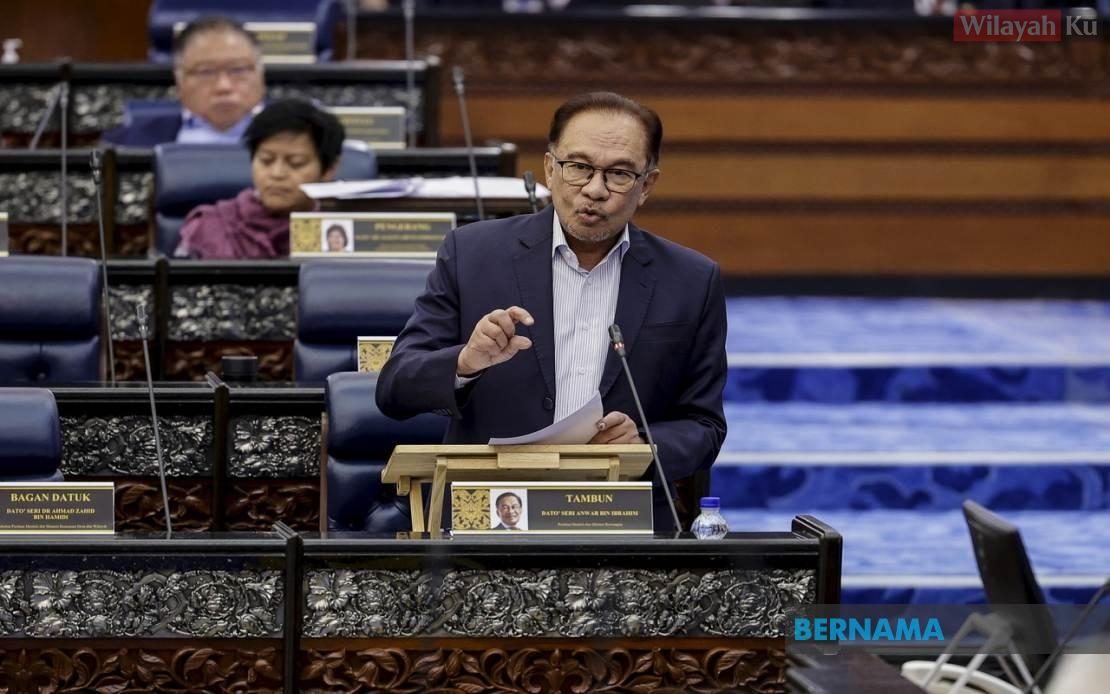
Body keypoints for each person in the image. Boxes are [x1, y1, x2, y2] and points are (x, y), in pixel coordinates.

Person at [376, 91, 728, 531]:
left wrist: (642, 442)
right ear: (549, 168)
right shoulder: (472, 254)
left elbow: (704, 424)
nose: (595, 190)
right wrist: (465, 362)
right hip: (488, 516)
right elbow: (394, 389)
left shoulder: (691, 279)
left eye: (619, 174)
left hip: (619, 515)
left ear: (647, 185)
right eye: (578, 167)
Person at [174, 99, 344, 260]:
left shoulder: (341, 231)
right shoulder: (208, 225)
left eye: (295, 163)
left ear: (329, 169)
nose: (277, 174)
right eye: (266, 160)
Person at [102, 16, 266, 147]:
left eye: (238, 69)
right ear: (180, 82)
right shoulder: (125, 144)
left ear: (260, 77)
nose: (223, 86)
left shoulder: (282, 132)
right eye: (206, 72)